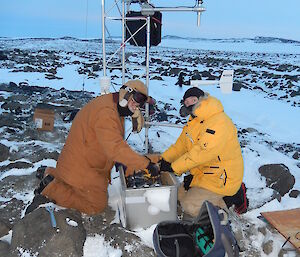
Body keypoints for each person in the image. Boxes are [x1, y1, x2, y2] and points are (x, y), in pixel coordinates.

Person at [26, 80, 159, 215]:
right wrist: (146, 165)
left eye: (141, 103)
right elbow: (115, 148)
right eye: (136, 99)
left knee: (96, 187)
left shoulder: (113, 104)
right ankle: (52, 188)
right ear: (126, 93)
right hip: (82, 166)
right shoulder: (106, 113)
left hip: (80, 160)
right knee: (96, 205)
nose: (137, 105)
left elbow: (111, 142)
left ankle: (51, 174)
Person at [159, 87, 244, 217]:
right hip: (204, 173)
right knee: (178, 196)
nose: (189, 104)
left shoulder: (218, 122)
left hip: (222, 177)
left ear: (201, 99)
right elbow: (180, 146)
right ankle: (213, 200)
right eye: (186, 102)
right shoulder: (194, 121)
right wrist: (164, 160)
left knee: (189, 206)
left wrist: (174, 167)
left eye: (193, 100)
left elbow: (201, 153)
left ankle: (230, 201)